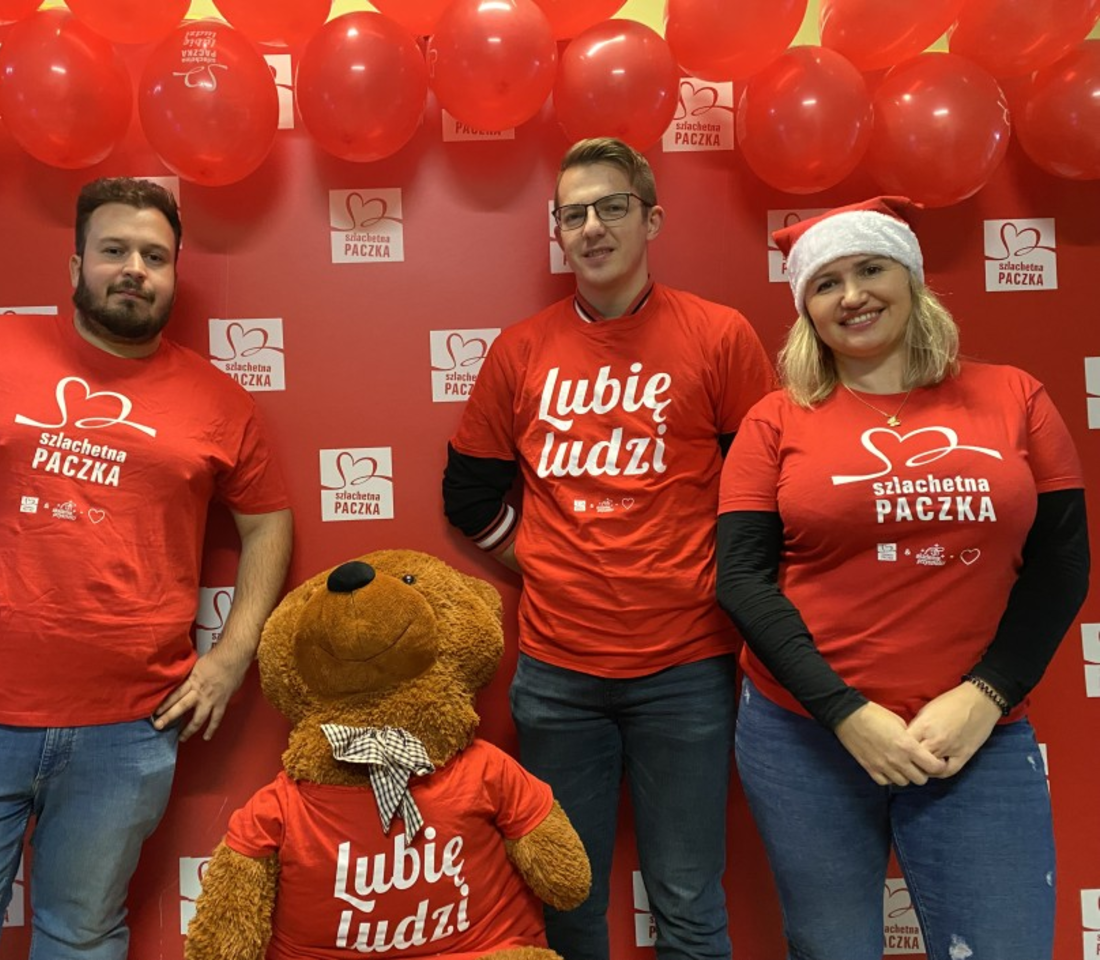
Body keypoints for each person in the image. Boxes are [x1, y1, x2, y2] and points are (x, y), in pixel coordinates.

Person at [0, 177, 293, 960]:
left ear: (174, 273)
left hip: (128, 729)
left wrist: (231, 658)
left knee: (81, 937)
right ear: (76, 264)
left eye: (154, 256)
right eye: (114, 250)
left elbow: (268, 523)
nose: (134, 270)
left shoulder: (220, 401)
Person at [716, 197, 1089, 960]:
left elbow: (1061, 564)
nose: (851, 295)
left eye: (870, 269)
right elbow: (743, 581)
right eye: (826, 283)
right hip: (805, 735)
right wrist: (846, 714)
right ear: (806, 309)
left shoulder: (1016, 397)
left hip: (975, 735)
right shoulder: (773, 421)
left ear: (911, 279)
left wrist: (985, 695)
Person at [442, 137, 774, 960]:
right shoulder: (520, 350)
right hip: (558, 674)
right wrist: (543, 558)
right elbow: (468, 494)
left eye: (612, 207)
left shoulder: (720, 336)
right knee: (567, 900)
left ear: (651, 219)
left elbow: (761, 497)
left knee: (688, 902)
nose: (591, 227)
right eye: (573, 214)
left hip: (687, 667)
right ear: (558, 232)